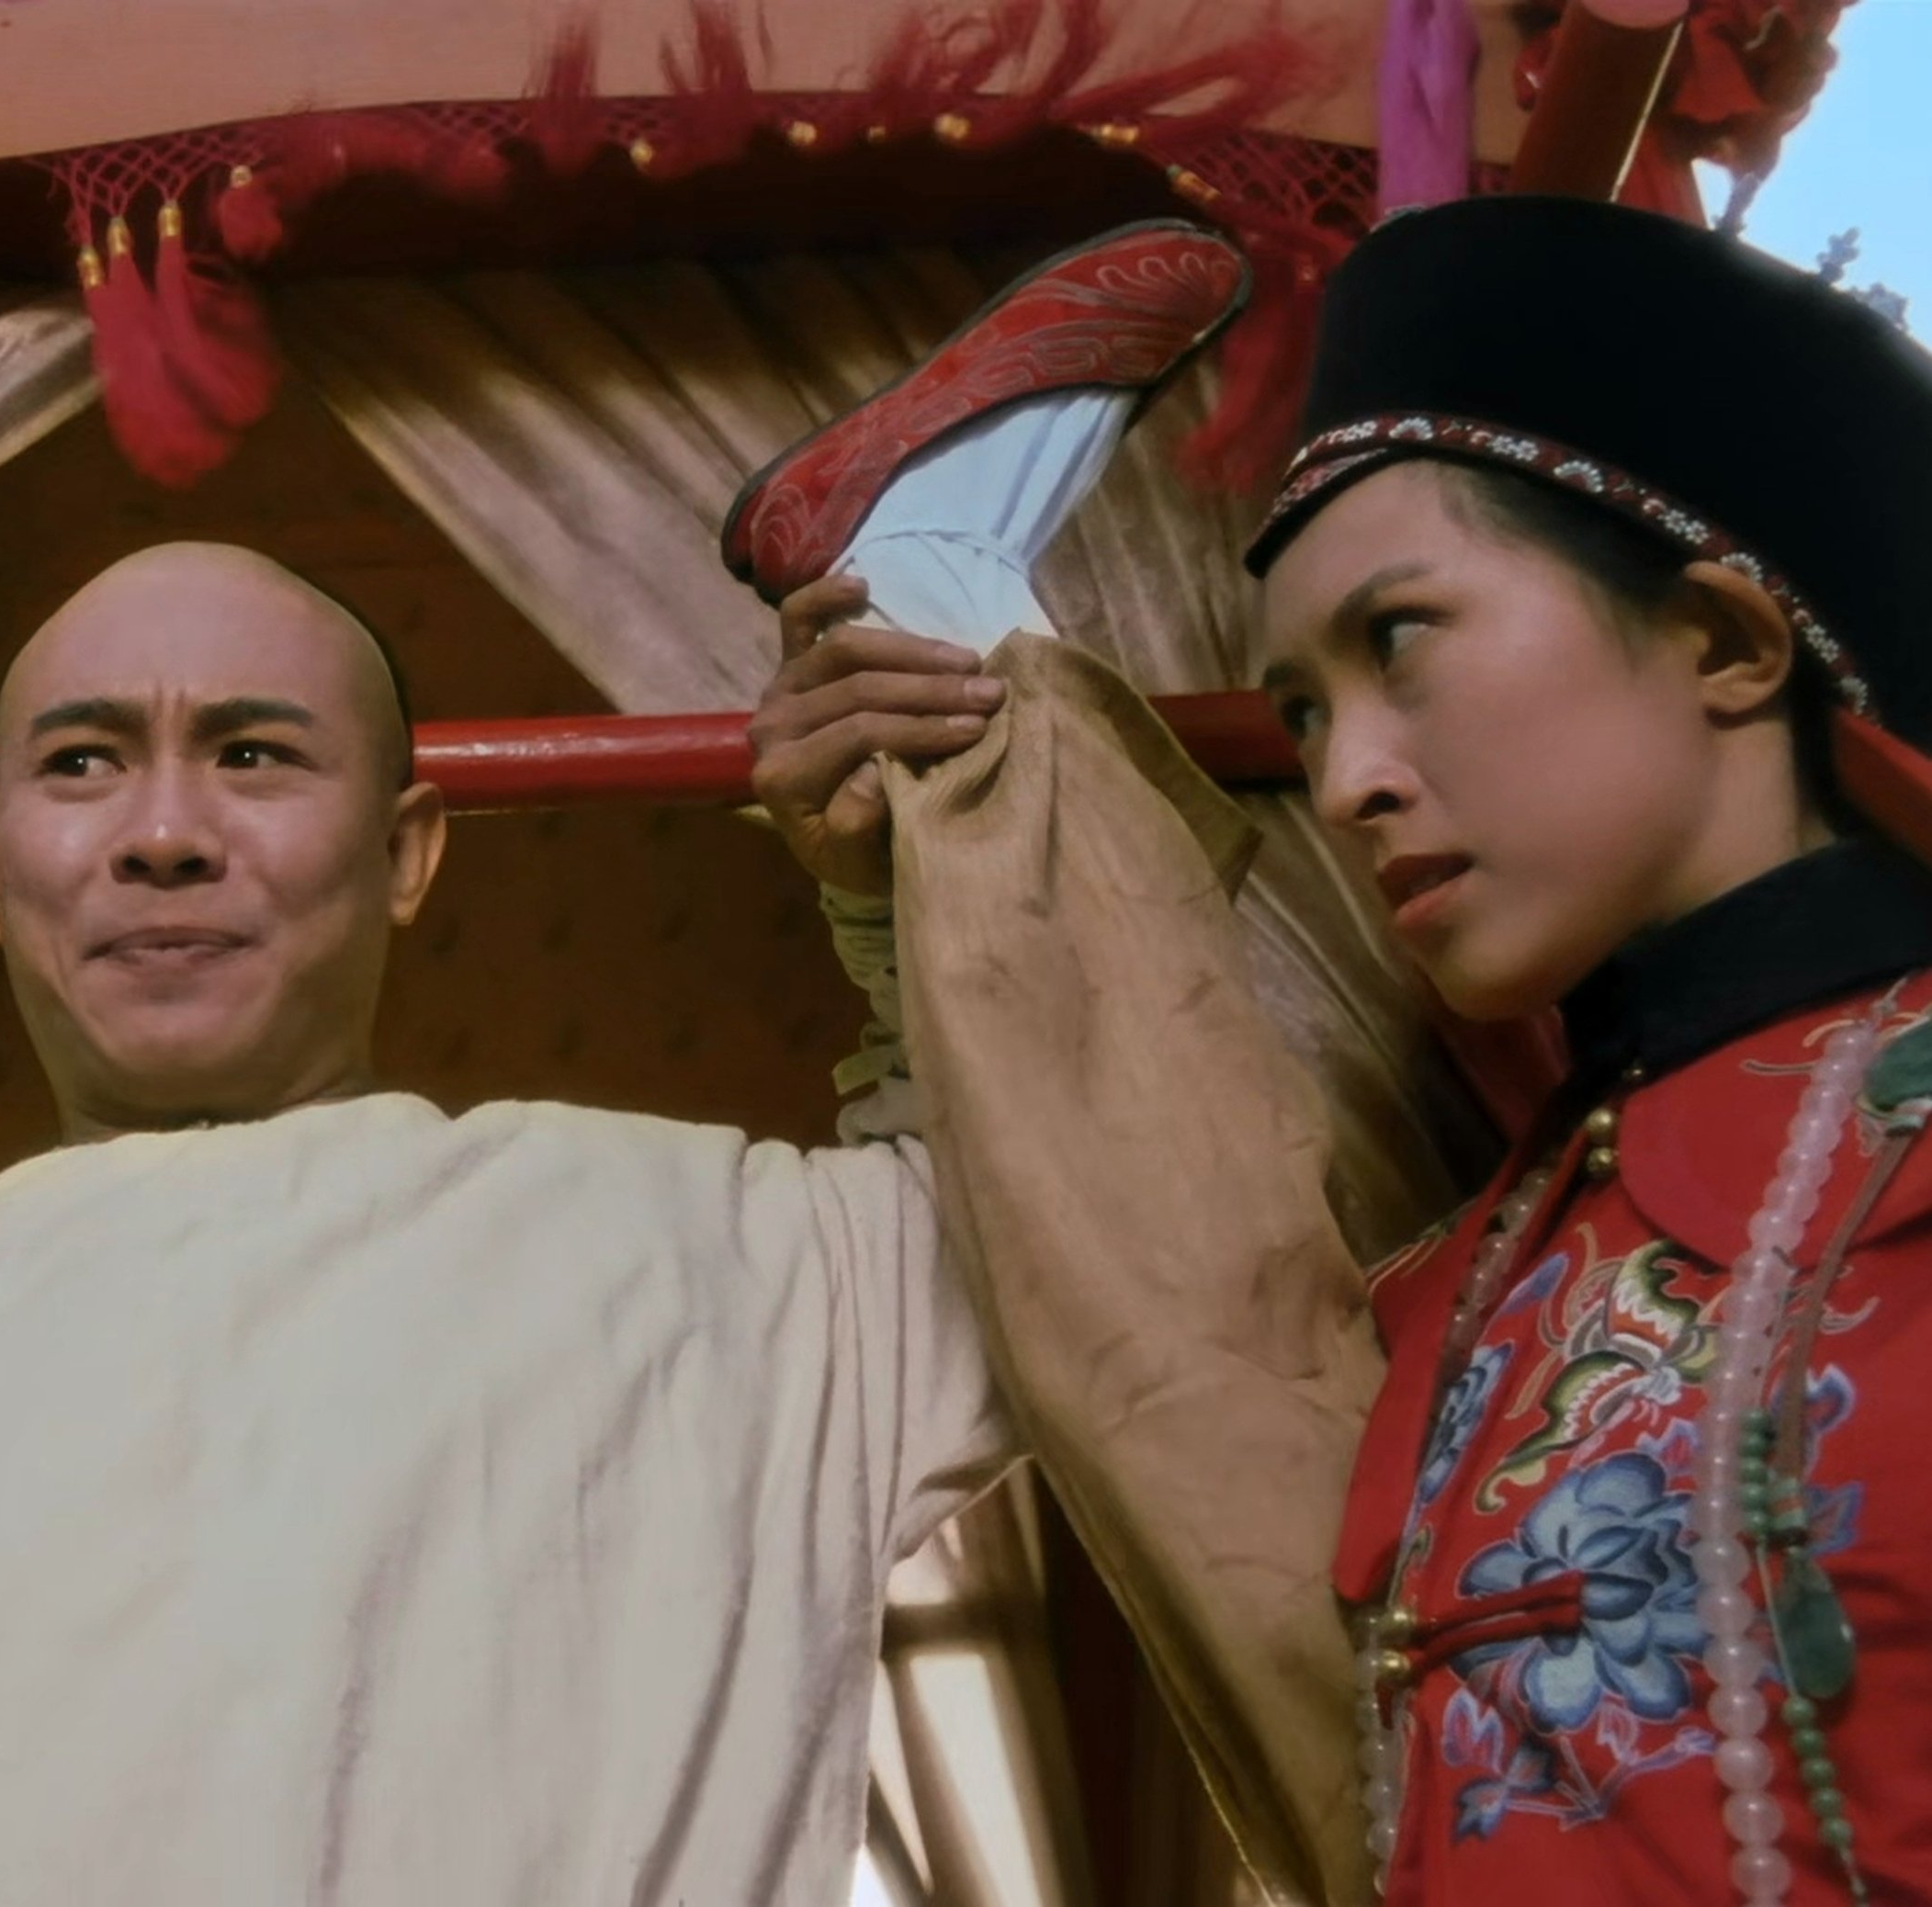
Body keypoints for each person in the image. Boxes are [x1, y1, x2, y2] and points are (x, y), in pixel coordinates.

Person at [0, 222, 1257, 1901]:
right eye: (84, 763)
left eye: (252, 754)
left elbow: (1112, 1222)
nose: (164, 834)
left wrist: (910, 854)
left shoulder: (709, 1263)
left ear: (407, 853)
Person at [783, 195, 1932, 1904]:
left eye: (1402, 643)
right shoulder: (1474, 1283)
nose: (1341, 784)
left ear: (1724, 640)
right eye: (1305, 713)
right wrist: (927, 842)